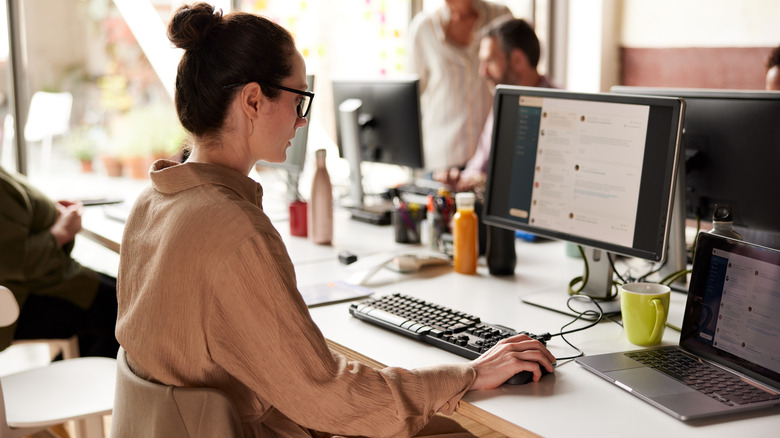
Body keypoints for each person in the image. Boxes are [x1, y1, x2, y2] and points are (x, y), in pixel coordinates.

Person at [116, 3, 555, 437]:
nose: (303, 119)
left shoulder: (151, 202)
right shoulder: (236, 231)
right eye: (298, 98)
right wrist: (469, 373)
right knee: (460, 429)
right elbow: (331, 399)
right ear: (253, 100)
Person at [0, 165, 119, 358]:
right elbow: (13, 261)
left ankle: (74, 372)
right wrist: (61, 232)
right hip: (24, 296)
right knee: (129, 311)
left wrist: (45, 211)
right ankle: (94, 381)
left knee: (122, 297)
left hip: (40, 284)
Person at [436, 18, 556, 193]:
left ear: (518, 61)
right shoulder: (504, 102)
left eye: (490, 61)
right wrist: (462, 180)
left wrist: (488, 181)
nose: (482, 72)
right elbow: (480, 164)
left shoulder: (562, 108)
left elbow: (550, 180)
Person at [409, 0, 512, 171]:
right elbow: (413, 96)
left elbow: (516, 75)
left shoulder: (500, 16)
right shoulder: (424, 27)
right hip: (443, 160)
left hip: (491, 158)